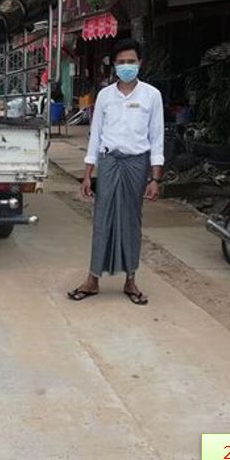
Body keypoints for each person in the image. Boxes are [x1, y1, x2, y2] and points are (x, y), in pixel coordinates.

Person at [67, 38, 164, 305]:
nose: (126, 66)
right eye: (121, 62)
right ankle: (93, 279)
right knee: (102, 220)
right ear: (114, 65)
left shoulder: (151, 96)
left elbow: (157, 139)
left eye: (131, 61)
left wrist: (155, 178)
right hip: (109, 163)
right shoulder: (105, 96)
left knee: (132, 221)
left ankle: (130, 280)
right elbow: (95, 135)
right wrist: (87, 174)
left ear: (140, 63)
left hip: (137, 164)